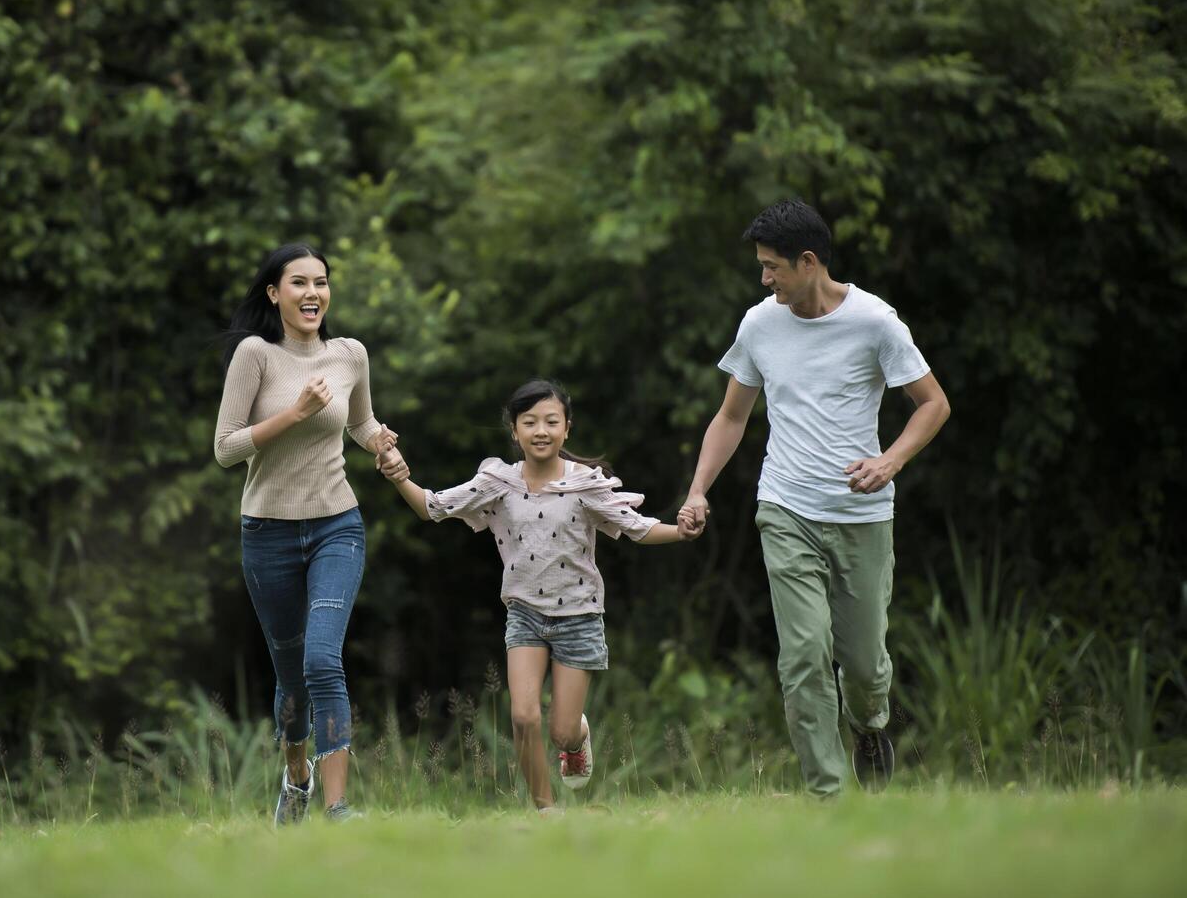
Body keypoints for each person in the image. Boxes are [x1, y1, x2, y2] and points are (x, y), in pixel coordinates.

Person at [679, 199, 950, 798]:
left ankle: (871, 726)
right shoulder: (759, 324)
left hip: (861, 516)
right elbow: (731, 417)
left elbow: (933, 403)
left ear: (809, 262)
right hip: (785, 507)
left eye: (773, 267)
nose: (764, 278)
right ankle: (828, 797)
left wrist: (890, 459)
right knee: (803, 654)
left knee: (864, 665)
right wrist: (698, 489)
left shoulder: (875, 321)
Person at [377, 378, 700, 813]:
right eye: (530, 422)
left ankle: (576, 738)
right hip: (525, 614)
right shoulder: (498, 483)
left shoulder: (585, 485)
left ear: (567, 428)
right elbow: (432, 507)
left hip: (580, 616)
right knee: (524, 716)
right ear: (515, 431)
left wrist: (680, 531)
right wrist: (401, 478)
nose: (541, 430)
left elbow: (636, 528)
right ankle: (545, 811)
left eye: (551, 421)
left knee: (561, 732)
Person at [214, 242, 397, 825]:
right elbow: (224, 449)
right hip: (267, 532)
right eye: (298, 283)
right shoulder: (255, 355)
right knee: (291, 679)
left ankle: (339, 807)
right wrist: (292, 413)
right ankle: (298, 779)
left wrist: (380, 444)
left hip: (335, 524)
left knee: (323, 659)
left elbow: (361, 420)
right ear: (274, 293)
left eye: (321, 282)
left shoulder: (349, 355)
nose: (312, 293)